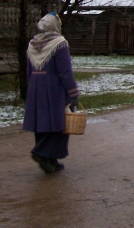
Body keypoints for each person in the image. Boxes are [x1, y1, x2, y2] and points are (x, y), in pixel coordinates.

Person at [23, 13, 79, 174]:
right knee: (59, 123)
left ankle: (50, 160)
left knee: (41, 123)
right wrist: (73, 93)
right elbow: (65, 72)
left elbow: (29, 69)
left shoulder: (33, 43)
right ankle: (41, 153)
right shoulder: (59, 43)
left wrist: (31, 87)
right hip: (54, 87)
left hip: (36, 85)